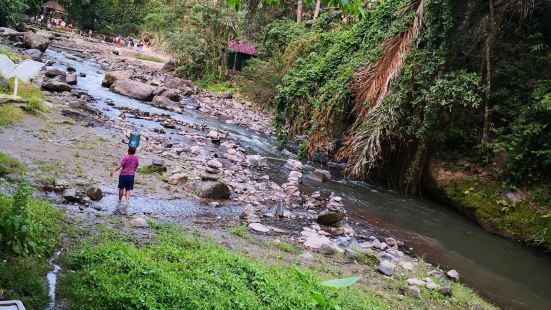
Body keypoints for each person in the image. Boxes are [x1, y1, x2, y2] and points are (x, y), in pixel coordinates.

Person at [110, 147, 139, 212]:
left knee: (121, 188)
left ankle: (120, 201)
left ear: (128, 151)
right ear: (134, 152)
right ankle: (126, 202)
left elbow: (120, 166)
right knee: (128, 190)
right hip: (131, 176)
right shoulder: (136, 159)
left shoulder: (125, 157)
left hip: (123, 175)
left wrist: (113, 170)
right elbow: (136, 167)